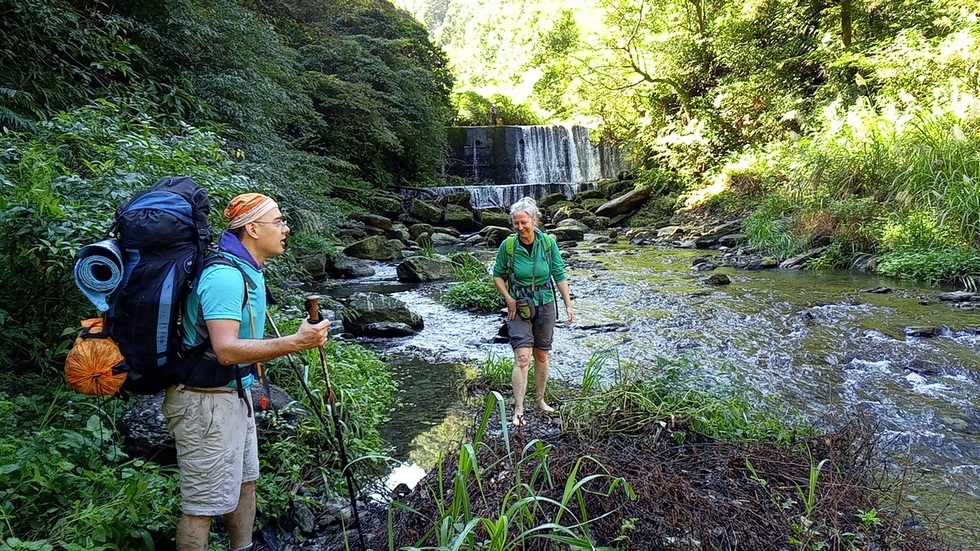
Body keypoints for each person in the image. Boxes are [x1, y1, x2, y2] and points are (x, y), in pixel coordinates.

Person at [162, 193, 330, 551]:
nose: (286, 229)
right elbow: (225, 350)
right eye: (279, 222)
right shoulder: (225, 277)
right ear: (252, 229)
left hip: (233, 397)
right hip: (204, 405)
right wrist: (295, 342)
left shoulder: (248, 269)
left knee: (244, 483)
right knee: (201, 508)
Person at [492, 197, 574, 426]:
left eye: (524, 223)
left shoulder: (548, 244)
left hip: (546, 303)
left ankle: (540, 400)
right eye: (516, 223)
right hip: (519, 306)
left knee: (542, 355)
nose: (520, 227)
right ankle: (518, 408)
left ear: (534, 221)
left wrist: (568, 304)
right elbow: (497, 274)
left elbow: (559, 273)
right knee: (522, 357)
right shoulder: (508, 247)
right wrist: (508, 298)